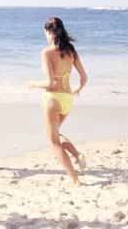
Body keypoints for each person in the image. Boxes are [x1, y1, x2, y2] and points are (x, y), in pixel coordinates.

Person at [29, 17, 88, 186]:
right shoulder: (71, 51)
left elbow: (50, 83)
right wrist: (77, 89)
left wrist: (34, 84)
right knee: (55, 134)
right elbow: (84, 78)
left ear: (48, 32)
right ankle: (77, 156)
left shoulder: (46, 52)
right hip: (67, 99)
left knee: (53, 141)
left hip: (53, 100)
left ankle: (74, 179)